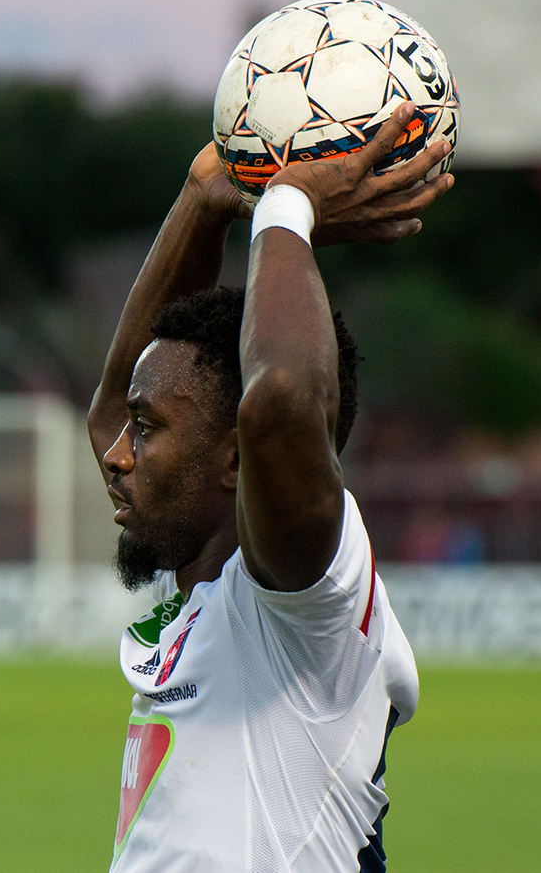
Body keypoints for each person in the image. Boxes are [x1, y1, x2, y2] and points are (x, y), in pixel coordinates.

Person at [88, 101, 455, 873]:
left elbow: (282, 402)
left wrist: (289, 205)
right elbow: (115, 408)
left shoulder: (300, 603)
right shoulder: (201, 589)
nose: (116, 455)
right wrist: (201, 203)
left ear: (238, 461)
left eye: (145, 429)